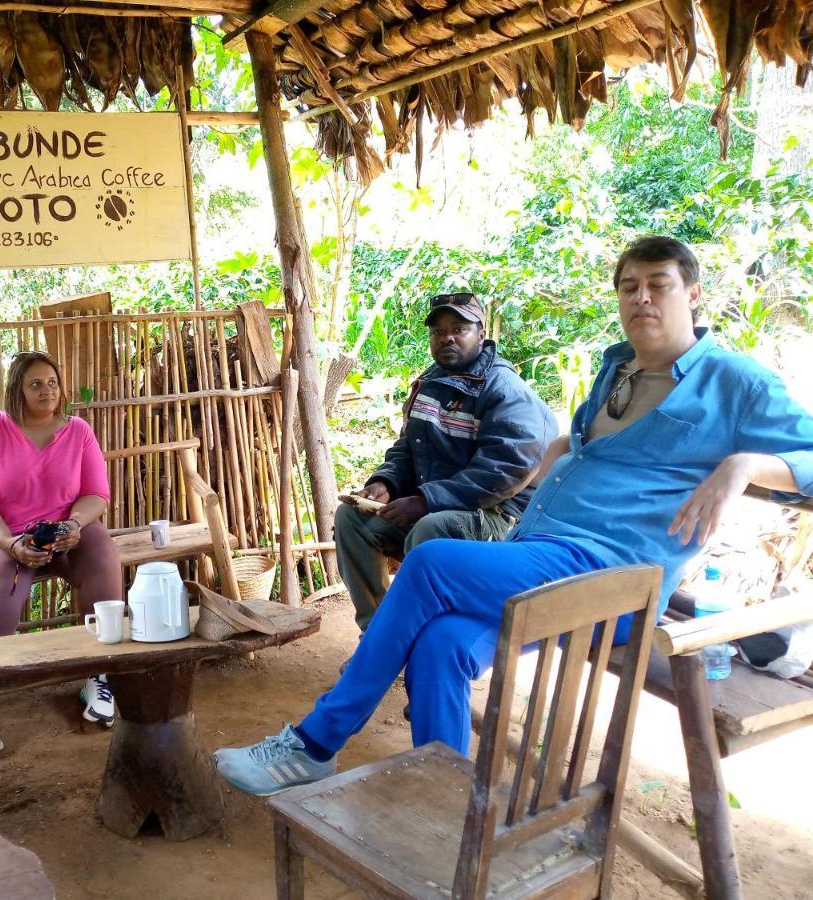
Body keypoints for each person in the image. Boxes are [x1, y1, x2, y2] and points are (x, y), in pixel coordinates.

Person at [215, 235, 813, 795]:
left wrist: (743, 466)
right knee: (442, 643)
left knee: (430, 563)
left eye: (659, 283)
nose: (643, 297)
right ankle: (443, 800)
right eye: (629, 286)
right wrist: (568, 448)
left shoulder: (734, 382)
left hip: (614, 578)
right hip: (542, 554)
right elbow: (589, 444)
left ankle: (314, 743)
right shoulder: (618, 368)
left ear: (694, 293)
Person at [337, 291, 557, 636]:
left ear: (481, 335)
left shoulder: (504, 390)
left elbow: (504, 472)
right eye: (438, 332)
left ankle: (419, 635)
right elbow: (409, 447)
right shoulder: (433, 382)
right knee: (351, 517)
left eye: (459, 328)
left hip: (498, 516)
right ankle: (379, 635)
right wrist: (387, 483)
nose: (447, 338)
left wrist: (426, 500)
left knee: (431, 529)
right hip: (439, 503)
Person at [0, 350, 122, 759]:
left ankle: (97, 674)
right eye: (36, 384)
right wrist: (9, 544)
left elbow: (97, 494)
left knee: (102, 553)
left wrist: (75, 525)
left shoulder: (78, 431)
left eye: (52, 382)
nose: (47, 391)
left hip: (59, 532)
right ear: (17, 390)